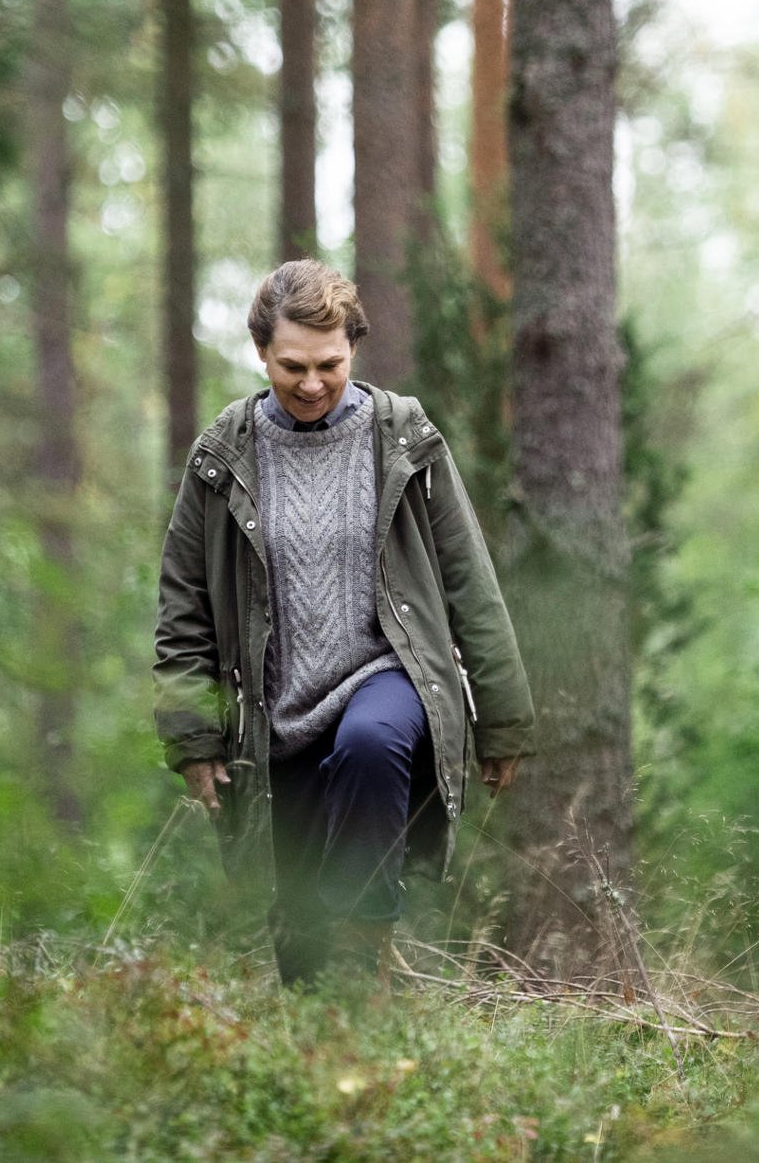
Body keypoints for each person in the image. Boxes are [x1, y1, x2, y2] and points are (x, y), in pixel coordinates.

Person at [153, 259, 534, 984]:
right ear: (262, 352)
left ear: (353, 349)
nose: (310, 383)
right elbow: (183, 607)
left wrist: (504, 720)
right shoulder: (222, 457)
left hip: (387, 671)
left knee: (371, 739)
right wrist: (191, 737)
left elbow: (469, 583)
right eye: (291, 365)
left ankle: (365, 949)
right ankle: (327, 1026)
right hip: (275, 706)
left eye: (329, 364)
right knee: (301, 942)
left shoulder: (404, 438)